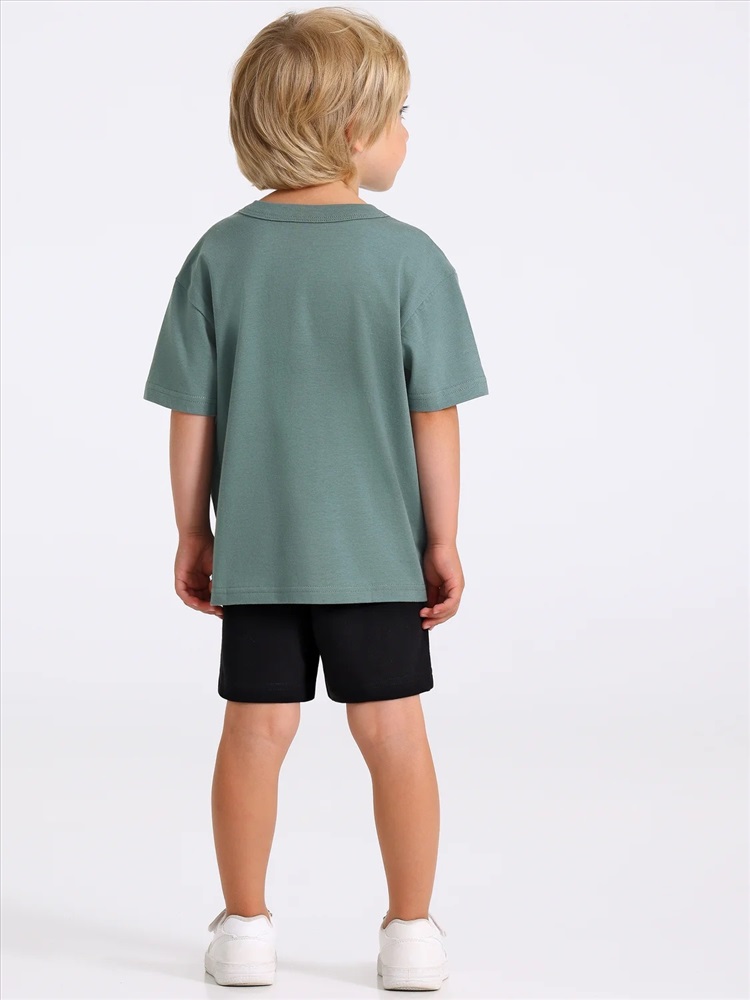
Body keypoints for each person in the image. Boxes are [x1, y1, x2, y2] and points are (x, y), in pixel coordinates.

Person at [142, 6, 489, 991]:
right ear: (350, 129)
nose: (408, 133)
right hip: (377, 554)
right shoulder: (410, 259)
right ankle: (411, 932)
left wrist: (192, 530)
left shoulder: (219, 254)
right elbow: (434, 415)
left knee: (254, 734)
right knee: (394, 734)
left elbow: (193, 414)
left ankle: (245, 928)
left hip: (259, 552)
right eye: (399, 114)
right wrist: (443, 539)